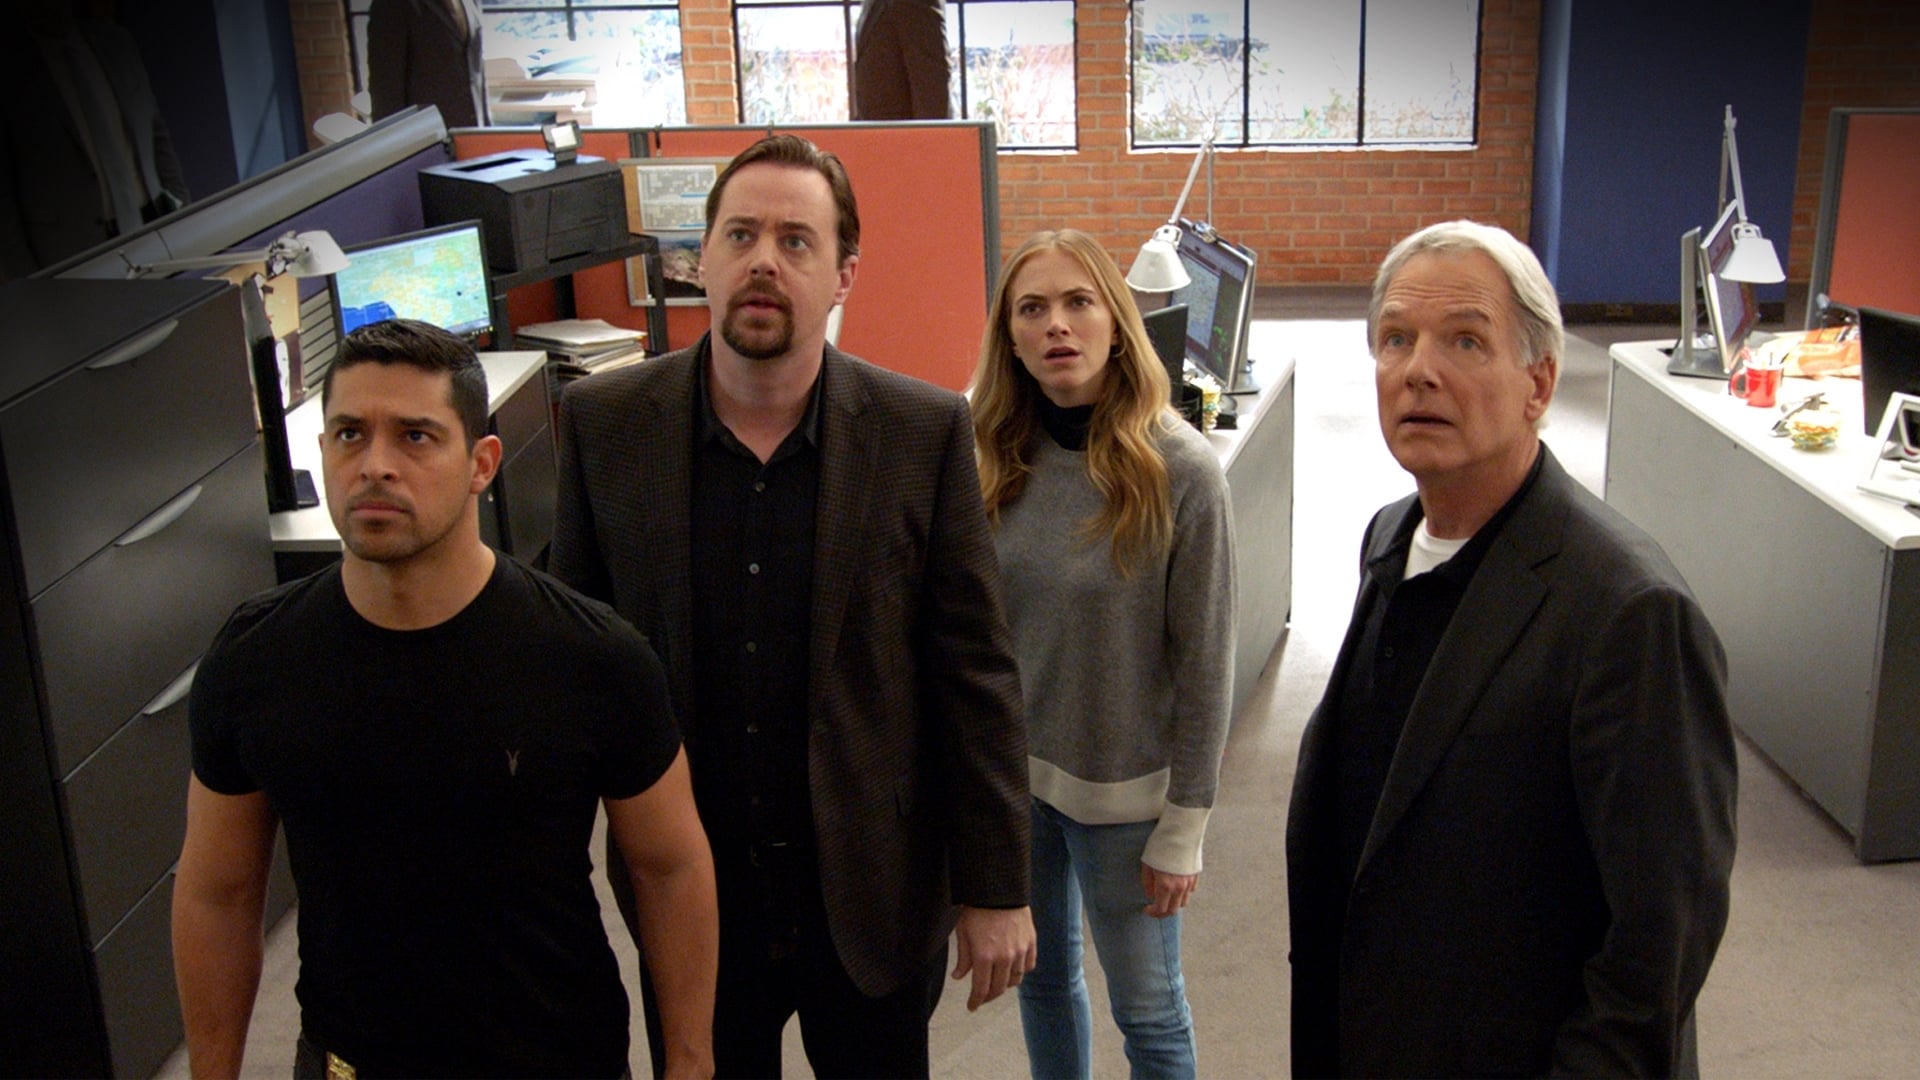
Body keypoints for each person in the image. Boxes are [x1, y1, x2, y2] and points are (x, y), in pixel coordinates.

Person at [549, 133, 1034, 1078]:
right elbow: (577, 670)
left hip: (872, 889)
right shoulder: (607, 427)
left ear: (844, 273)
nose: (764, 260)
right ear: (701, 259)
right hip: (691, 894)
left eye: (796, 240)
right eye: (740, 235)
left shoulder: (923, 431)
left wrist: (996, 884)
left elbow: (975, 674)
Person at [172, 318, 718, 1078]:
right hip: (348, 1061)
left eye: (416, 437)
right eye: (350, 434)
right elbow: (218, 892)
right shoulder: (255, 657)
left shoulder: (593, 656)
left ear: (480, 464)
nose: (376, 466)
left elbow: (670, 867)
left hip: (557, 1059)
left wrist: (690, 1062)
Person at [1284, 220, 1738, 1077]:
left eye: (1465, 340)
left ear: (1540, 383)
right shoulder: (1391, 536)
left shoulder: (1630, 615)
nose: (1418, 370)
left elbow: (1657, 950)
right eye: (1396, 339)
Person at [971, 229, 1235, 1079]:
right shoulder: (989, 459)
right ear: (1011, 339)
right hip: (1016, 791)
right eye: (1033, 308)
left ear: (1117, 324)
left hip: (1127, 801)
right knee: (1043, 986)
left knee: (1149, 1014)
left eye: (1079, 302)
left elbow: (1207, 664)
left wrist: (1185, 827)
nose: (1057, 324)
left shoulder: (1180, 471)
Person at [3, 0, 190, 277]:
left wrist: (184, 213)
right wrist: (27, 283)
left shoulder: (115, 42)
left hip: (154, 226)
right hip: (72, 255)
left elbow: (156, 131)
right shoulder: (11, 69)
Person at [367, 0, 488, 129]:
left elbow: (476, 72)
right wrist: (391, 137)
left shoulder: (470, 3)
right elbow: (386, 89)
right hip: (425, 134)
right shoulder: (392, 4)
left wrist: (486, 128)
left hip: (472, 132)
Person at [851, 0, 952, 121]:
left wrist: (932, 134)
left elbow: (932, 94)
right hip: (883, 129)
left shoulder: (912, 4)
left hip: (900, 130)